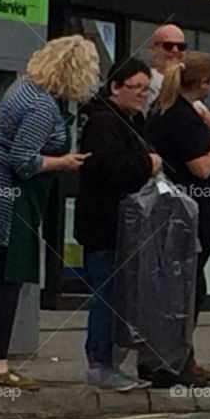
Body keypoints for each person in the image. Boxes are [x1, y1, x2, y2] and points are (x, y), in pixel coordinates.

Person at [0, 36, 98, 390]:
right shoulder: (43, 107)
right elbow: (24, 161)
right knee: (9, 278)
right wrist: (64, 162)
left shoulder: (21, 86)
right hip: (14, 197)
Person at [145, 51, 210, 387]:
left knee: (186, 288)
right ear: (203, 82)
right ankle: (173, 363)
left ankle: (181, 357)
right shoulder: (180, 116)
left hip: (192, 213)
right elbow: (200, 167)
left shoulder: (174, 111)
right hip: (189, 214)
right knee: (185, 291)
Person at [75, 59, 159, 390]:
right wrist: (146, 164)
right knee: (106, 297)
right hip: (105, 225)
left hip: (124, 228)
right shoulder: (103, 123)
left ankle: (111, 361)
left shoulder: (130, 121)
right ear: (115, 87)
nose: (142, 95)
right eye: (135, 87)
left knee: (120, 296)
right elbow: (107, 169)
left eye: (146, 89)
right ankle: (100, 363)